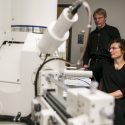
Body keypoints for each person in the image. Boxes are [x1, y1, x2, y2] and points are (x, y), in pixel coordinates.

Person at [83, 8, 121, 83]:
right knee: (91, 87)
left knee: (106, 88)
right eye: (95, 19)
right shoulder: (92, 34)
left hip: (108, 63)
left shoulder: (113, 31)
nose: (97, 20)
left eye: (100, 18)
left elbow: (118, 48)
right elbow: (87, 50)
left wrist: (117, 63)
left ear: (105, 18)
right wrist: (85, 63)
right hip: (94, 64)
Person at [100, 38, 125, 125]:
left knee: (117, 108)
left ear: (123, 50)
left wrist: (106, 96)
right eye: (110, 48)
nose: (110, 50)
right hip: (106, 100)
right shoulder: (105, 64)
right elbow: (89, 71)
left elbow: (123, 92)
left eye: (114, 48)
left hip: (121, 100)